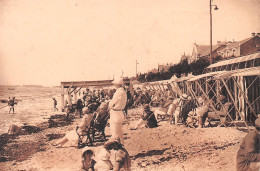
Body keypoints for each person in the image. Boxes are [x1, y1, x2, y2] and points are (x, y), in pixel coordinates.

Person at [108, 77, 127, 145]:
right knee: (120, 131)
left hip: (115, 113)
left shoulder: (118, 92)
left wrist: (110, 104)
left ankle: (117, 150)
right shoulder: (124, 91)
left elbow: (111, 104)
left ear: (116, 84)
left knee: (115, 133)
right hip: (121, 112)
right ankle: (122, 145)